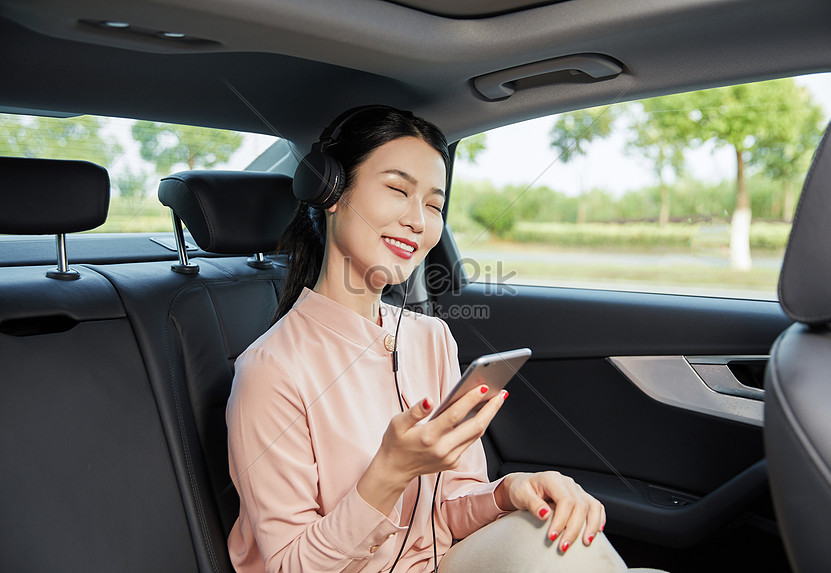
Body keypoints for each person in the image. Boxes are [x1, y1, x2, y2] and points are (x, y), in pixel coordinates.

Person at [226, 106, 659, 573]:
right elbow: (287, 566)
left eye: (434, 204)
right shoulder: (270, 371)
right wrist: (387, 474)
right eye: (397, 189)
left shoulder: (431, 338)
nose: (418, 221)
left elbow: (447, 505)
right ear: (330, 192)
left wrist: (507, 491)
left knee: (566, 540)